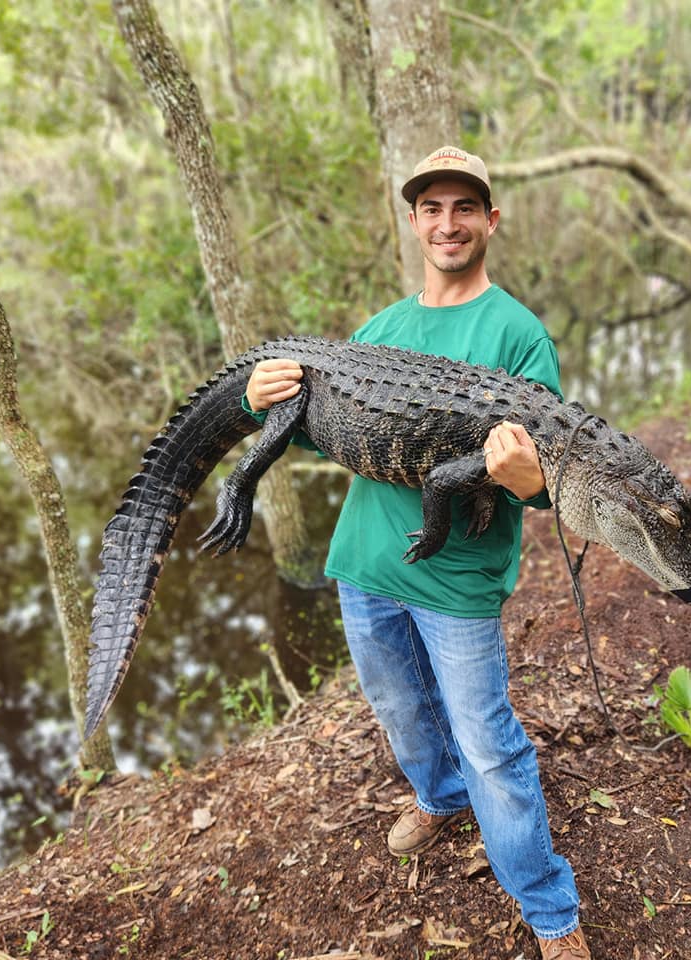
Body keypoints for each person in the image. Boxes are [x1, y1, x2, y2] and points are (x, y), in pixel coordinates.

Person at [244, 146, 591, 960]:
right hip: (366, 563)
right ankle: (437, 798)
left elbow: (548, 481)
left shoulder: (518, 333)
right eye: (431, 208)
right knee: (400, 711)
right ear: (413, 222)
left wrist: (529, 477)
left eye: (464, 207)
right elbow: (342, 442)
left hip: (458, 577)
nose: (447, 223)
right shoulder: (382, 327)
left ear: (490, 221)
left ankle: (551, 913)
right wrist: (270, 404)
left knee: (490, 744)